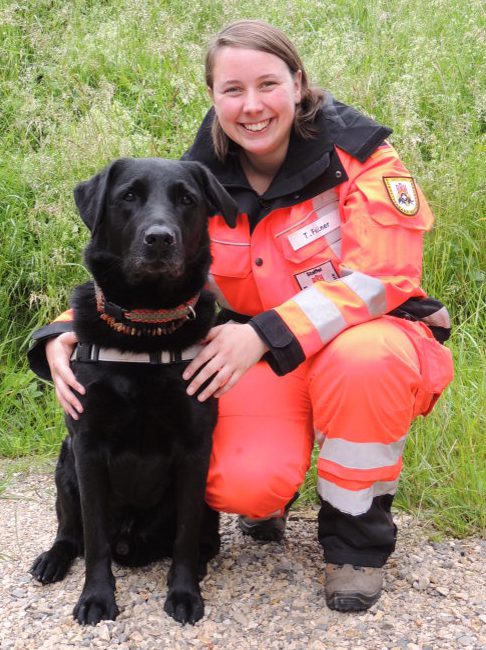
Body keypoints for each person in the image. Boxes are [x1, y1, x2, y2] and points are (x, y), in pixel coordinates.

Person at [28, 20, 454, 612]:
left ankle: (355, 542)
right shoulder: (195, 180)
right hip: (276, 358)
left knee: (364, 359)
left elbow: (385, 278)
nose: (251, 106)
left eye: (267, 85)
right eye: (232, 89)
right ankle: (270, 501)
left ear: (298, 84)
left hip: (368, 342)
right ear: (213, 97)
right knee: (238, 482)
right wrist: (63, 331)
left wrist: (264, 332)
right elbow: (140, 269)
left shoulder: (363, 159)